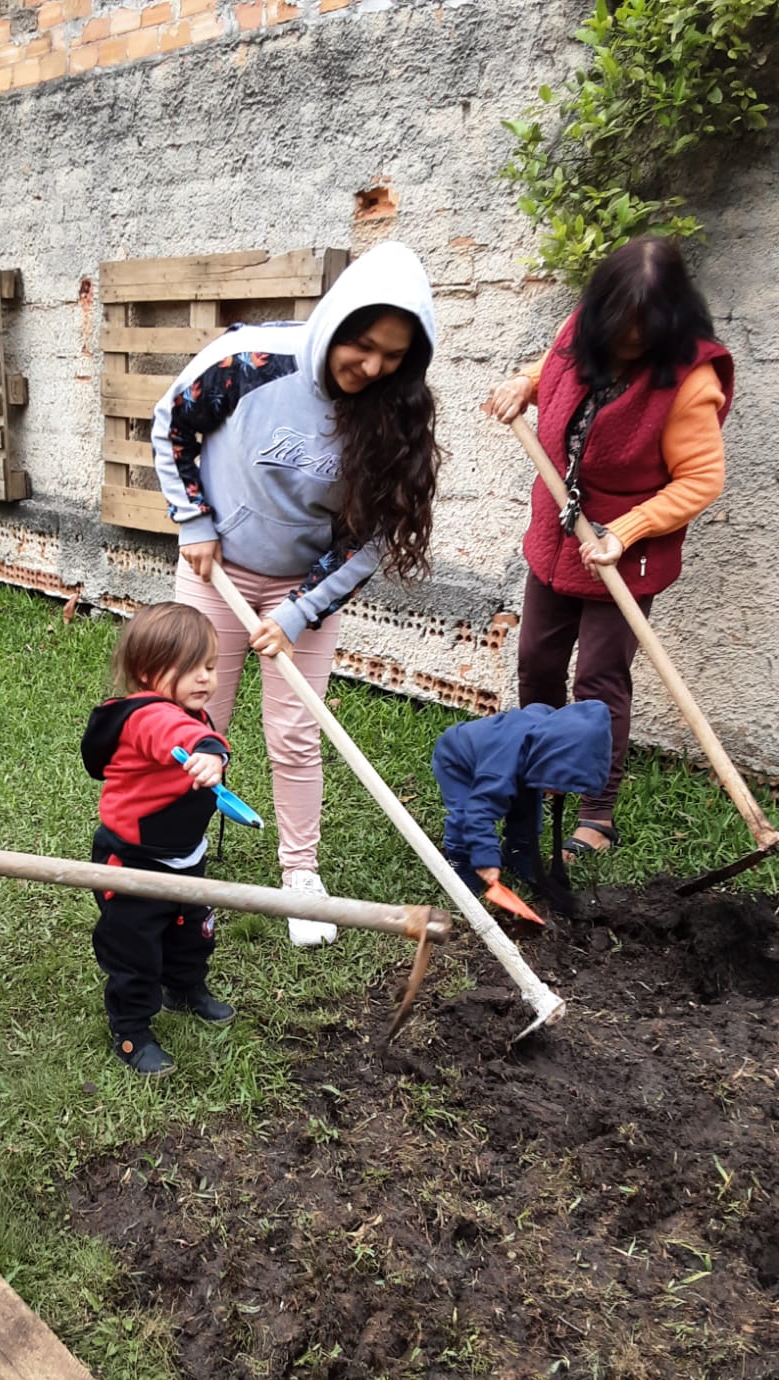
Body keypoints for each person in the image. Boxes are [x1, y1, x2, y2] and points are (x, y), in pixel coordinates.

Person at [152, 241, 439, 946]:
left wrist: (300, 609)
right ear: (336, 320)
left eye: (393, 355)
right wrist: (192, 517)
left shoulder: (393, 413)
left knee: (294, 733)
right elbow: (172, 426)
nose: (371, 367)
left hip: (303, 589)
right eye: (362, 345)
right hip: (215, 569)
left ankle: (300, 877)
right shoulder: (249, 363)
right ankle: (178, 870)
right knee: (193, 725)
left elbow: (371, 537)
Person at [484, 236, 733, 860]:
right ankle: (540, 776)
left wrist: (626, 530)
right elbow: (553, 373)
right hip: (558, 534)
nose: (626, 343)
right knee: (537, 664)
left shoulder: (690, 379)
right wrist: (524, 384)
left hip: (625, 552)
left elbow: (702, 479)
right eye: (618, 329)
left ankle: (595, 811)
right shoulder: (582, 328)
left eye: (641, 335)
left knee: (598, 680)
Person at [82, 603, 235, 1077]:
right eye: (190, 668)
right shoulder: (148, 715)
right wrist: (209, 751)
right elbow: (181, 734)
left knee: (192, 932)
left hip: (183, 856)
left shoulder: (192, 712)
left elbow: (194, 732)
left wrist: (211, 750)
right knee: (134, 950)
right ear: (149, 672)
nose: (205, 678)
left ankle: (185, 988)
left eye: (209, 665)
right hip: (132, 864)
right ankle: (131, 1031)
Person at [432, 700, 612, 900]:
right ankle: (461, 861)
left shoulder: (548, 734)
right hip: (458, 762)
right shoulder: (500, 769)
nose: (559, 794)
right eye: (557, 783)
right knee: (464, 815)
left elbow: (538, 708)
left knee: (527, 807)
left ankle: (518, 849)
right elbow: (479, 813)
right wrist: (485, 858)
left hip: (509, 761)